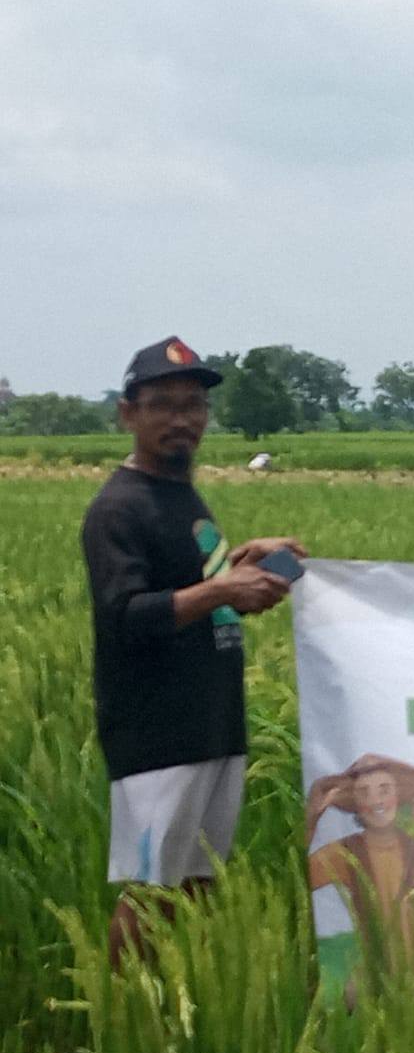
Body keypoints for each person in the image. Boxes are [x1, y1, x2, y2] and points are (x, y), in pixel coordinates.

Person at [81, 337, 305, 968]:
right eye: (162, 406)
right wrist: (219, 588)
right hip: (158, 730)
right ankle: (122, 1032)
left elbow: (189, 586)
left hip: (211, 720)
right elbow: (127, 616)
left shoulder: (180, 495)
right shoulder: (118, 507)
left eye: (193, 406)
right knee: (151, 888)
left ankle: (181, 1013)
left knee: (199, 882)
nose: (182, 419)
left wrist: (240, 567)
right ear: (128, 414)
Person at [305, 754, 414, 990]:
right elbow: (296, 876)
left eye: (384, 790)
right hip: (376, 979)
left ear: (397, 797)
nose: (376, 802)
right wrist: (312, 817)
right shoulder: (345, 852)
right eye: (364, 793)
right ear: (356, 804)